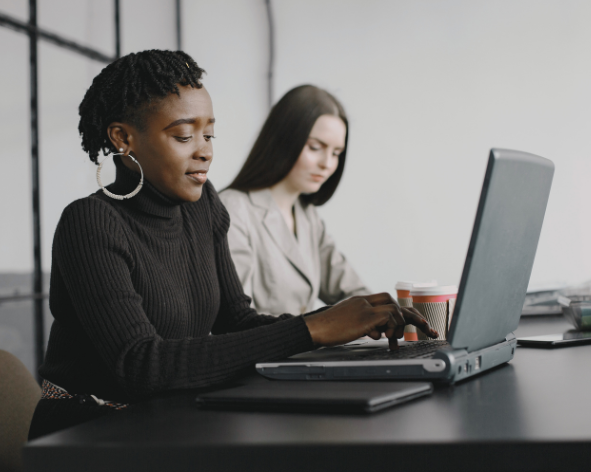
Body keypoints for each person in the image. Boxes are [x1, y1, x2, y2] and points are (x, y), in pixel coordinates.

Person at [28, 50, 437, 440]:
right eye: (185, 136)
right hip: (89, 430)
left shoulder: (203, 206)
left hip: (165, 419)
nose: (205, 151)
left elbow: (236, 321)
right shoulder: (90, 222)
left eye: (209, 134)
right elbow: (141, 364)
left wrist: (341, 320)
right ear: (123, 139)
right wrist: (310, 329)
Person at [220, 85, 369, 316]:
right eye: (315, 147)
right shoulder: (233, 210)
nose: (327, 163)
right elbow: (237, 319)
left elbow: (353, 291)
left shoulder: (307, 216)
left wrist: (388, 314)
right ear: (283, 140)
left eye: (336, 153)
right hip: (263, 351)